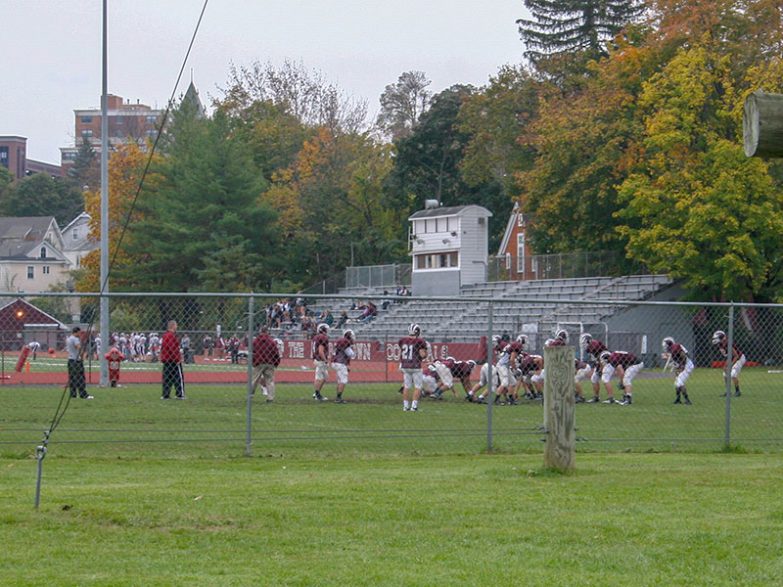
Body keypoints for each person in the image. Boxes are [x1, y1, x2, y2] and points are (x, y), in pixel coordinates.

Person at [398, 323, 429, 412]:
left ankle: (405, 407)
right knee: (418, 386)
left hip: (405, 365)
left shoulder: (402, 340)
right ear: (418, 332)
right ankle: (414, 407)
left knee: (406, 386)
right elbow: (422, 355)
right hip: (415, 366)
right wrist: (426, 354)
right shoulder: (420, 341)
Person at [251, 325, 281, 402]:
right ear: (267, 332)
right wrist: (276, 363)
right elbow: (276, 353)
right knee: (270, 381)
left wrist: (253, 362)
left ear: (260, 331)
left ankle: (250, 395)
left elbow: (252, 352)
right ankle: (270, 397)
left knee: (254, 380)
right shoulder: (271, 341)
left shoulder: (255, 341)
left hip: (259, 362)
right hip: (269, 362)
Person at [712, 330, 746, 397]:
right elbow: (729, 356)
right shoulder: (721, 345)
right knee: (725, 374)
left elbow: (736, 356)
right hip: (733, 358)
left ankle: (737, 391)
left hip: (739, 359)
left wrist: (730, 365)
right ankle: (728, 392)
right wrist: (726, 365)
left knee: (733, 374)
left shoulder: (728, 344)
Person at [662, 337, 694, 405]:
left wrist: (682, 366)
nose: (664, 348)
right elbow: (677, 362)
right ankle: (678, 399)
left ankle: (687, 400)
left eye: (665, 346)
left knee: (680, 383)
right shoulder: (673, 350)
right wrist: (678, 369)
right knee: (677, 383)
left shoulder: (675, 348)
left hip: (687, 366)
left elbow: (684, 356)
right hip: (684, 365)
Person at [579, 333, 609, 403]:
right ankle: (596, 397)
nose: (583, 344)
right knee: (594, 378)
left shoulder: (594, 344)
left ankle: (610, 397)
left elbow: (600, 355)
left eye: (584, 342)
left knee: (604, 378)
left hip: (605, 360)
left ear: (588, 340)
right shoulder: (591, 346)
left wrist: (601, 368)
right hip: (601, 361)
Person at [66, 327, 92, 399]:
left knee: (72, 378)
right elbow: (78, 348)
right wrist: (82, 355)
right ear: (76, 332)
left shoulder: (68, 339)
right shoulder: (75, 339)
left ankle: (73, 394)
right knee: (80, 378)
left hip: (70, 360)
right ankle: (83, 394)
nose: (80, 334)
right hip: (76, 361)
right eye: (79, 332)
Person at [160, 320, 185, 400]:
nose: (176, 327)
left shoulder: (165, 335)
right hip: (173, 360)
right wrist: (177, 358)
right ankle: (179, 394)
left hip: (166, 360)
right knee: (178, 377)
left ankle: (165, 394)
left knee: (167, 378)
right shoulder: (171, 336)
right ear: (173, 326)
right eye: (176, 325)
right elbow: (173, 348)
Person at [331, 329, 356, 403]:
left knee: (339, 380)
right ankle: (338, 398)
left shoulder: (341, 340)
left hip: (336, 361)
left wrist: (347, 365)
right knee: (343, 380)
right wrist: (353, 350)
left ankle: (338, 396)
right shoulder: (345, 341)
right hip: (340, 362)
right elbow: (350, 354)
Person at [311, 323, 330, 401]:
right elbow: (320, 350)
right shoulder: (323, 337)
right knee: (319, 377)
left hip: (317, 359)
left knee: (325, 377)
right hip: (320, 360)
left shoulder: (316, 337)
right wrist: (325, 360)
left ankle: (316, 393)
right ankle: (317, 395)